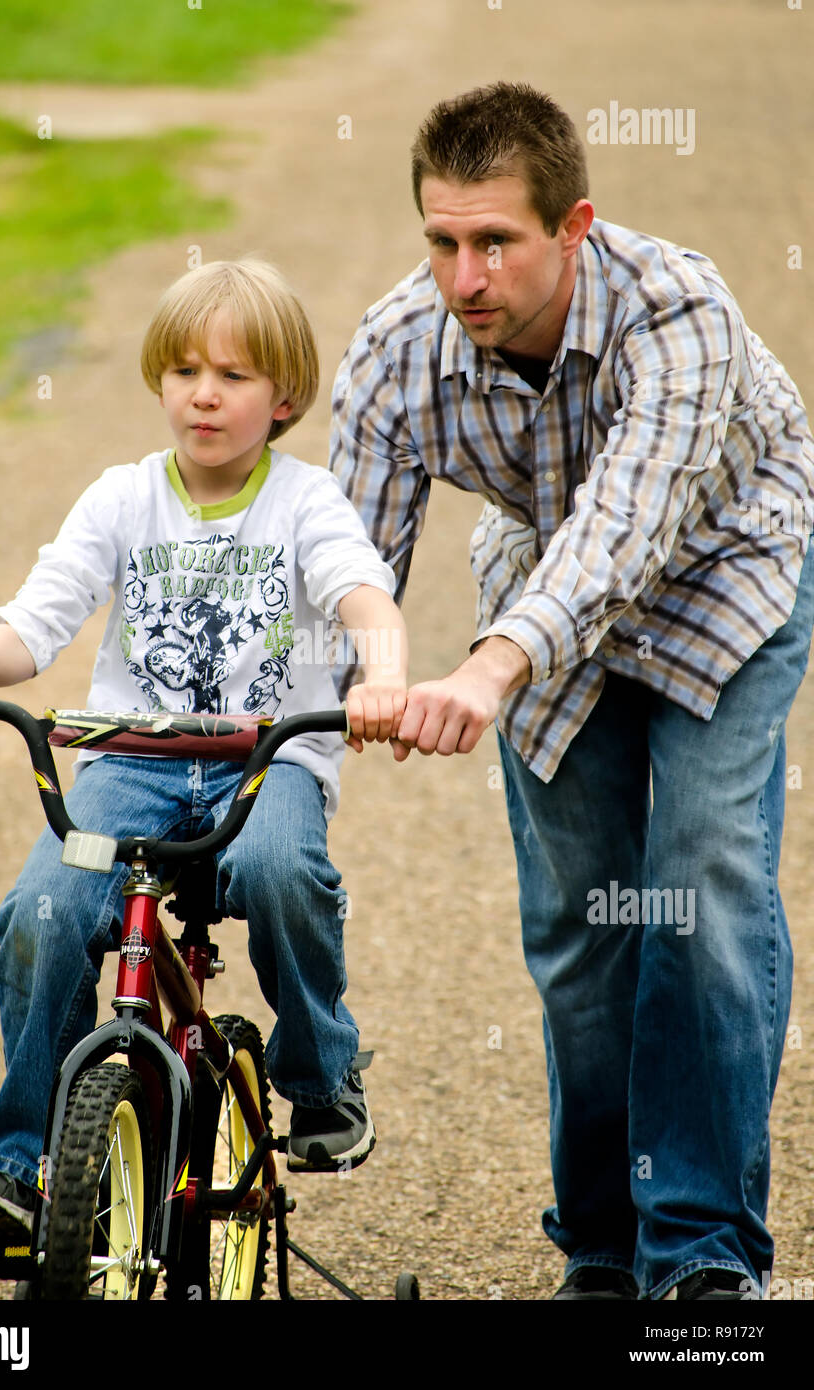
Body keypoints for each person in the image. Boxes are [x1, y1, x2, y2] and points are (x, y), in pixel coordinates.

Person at [329, 81, 814, 1301]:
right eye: (442, 242)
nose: (465, 276)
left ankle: (700, 1255)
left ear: (575, 226)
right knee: (585, 933)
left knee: (701, 883)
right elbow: (346, 574)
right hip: (545, 585)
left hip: (726, 571)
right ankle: (603, 1248)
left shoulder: (677, 309)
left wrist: (490, 665)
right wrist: (326, 707)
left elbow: (626, 532)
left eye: (497, 241)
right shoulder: (397, 351)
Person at [0, 258, 408, 1246]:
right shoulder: (123, 498)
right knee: (44, 909)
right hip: (129, 765)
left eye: (233, 375)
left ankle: (318, 1076)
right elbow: (34, 625)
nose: (204, 394)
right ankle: (22, 1164)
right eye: (183, 371)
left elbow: (363, 597)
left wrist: (382, 675)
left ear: (286, 396)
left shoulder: (306, 502)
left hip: (265, 762)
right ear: (159, 382)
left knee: (280, 868)